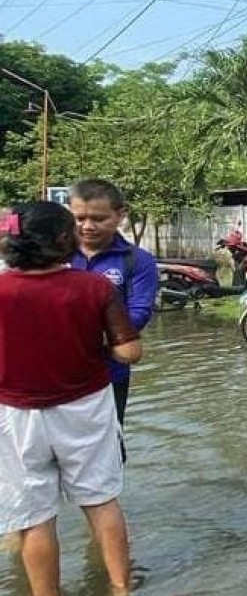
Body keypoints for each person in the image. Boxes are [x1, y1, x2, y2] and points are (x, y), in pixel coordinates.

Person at [0, 201, 141, 596]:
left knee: (34, 516)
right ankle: (121, 589)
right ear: (66, 240)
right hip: (86, 411)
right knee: (101, 501)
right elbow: (130, 351)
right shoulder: (95, 288)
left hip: (15, 415)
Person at [69, 179, 158, 428]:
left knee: (109, 448)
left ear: (120, 215)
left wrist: (87, 338)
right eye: (79, 218)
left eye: (98, 219)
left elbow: (139, 311)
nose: (87, 226)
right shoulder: (54, 255)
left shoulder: (138, 261)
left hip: (109, 374)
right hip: (54, 374)